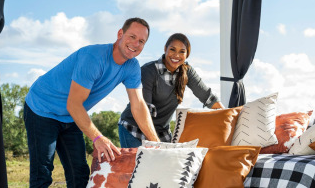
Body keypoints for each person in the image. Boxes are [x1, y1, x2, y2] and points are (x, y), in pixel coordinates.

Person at [23, 17, 160, 188]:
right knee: (42, 173)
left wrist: (156, 143)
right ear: (120, 34)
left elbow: (138, 105)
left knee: (79, 174)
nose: (135, 43)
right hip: (42, 109)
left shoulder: (132, 67)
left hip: (70, 116)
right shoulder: (94, 58)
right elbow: (73, 104)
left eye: (141, 41)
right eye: (132, 36)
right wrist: (98, 137)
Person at [118, 33, 225, 148]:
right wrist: (157, 144)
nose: (176, 55)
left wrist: (229, 116)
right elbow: (144, 111)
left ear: (187, 54)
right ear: (165, 49)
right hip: (134, 128)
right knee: (141, 165)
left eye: (182, 52)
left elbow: (207, 97)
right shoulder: (148, 71)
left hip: (161, 131)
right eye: (172, 50)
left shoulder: (187, 71)